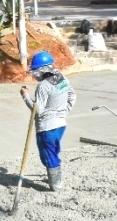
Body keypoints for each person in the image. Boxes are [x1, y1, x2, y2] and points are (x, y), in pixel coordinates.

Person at [20, 51, 76, 191]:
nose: (34, 75)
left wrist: (25, 96)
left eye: (34, 72)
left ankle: (56, 184)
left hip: (47, 127)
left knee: (48, 155)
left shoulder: (43, 86)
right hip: (61, 125)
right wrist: (63, 113)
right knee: (54, 151)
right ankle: (54, 176)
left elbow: (37, 110)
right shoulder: (62, 78)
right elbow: (72, 96)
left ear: (41, 70)